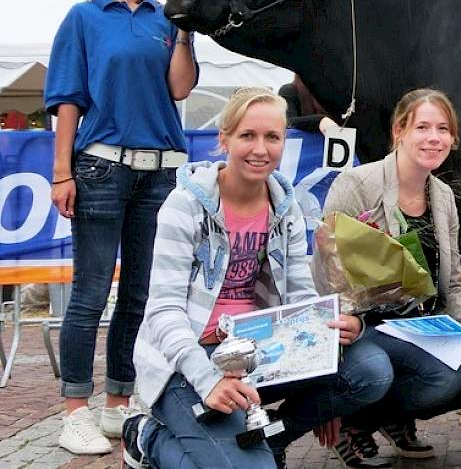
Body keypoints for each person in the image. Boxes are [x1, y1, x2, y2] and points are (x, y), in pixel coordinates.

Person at [121, 88, 394, 469]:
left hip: (258, 349)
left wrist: (323, 362)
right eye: (247, 136)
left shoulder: (287, 207)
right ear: (224, 139)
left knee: (369, 369)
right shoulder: (183, 205)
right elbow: (163, 310)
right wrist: (208, 381)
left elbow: (300, 295)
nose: (260, 149)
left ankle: (265, 439)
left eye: (272, 137)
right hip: (188, 359)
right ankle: (145, 437)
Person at [44, 0, 198, 455]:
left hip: (162, 171)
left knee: (140, 294)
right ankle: (74, 410)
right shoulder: (84, 17)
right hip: (100, 168)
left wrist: (183, 30)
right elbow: (67, 99)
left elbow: (179, 86)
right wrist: (61, 172)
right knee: (89, 293)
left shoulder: (167, 20)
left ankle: (118, 401)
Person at [322, 88, 461, 467]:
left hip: (418, 326)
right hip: (358, 325)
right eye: (422, 126)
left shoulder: (443, 197)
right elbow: (328, 274)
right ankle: (345, 419)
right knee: (377, 372)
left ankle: (379, 419)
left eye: (443, 129)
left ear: (453, 139)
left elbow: (452, 279)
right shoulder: (356, 185)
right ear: (398, 132)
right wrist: (352, 321)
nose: (433, 137)